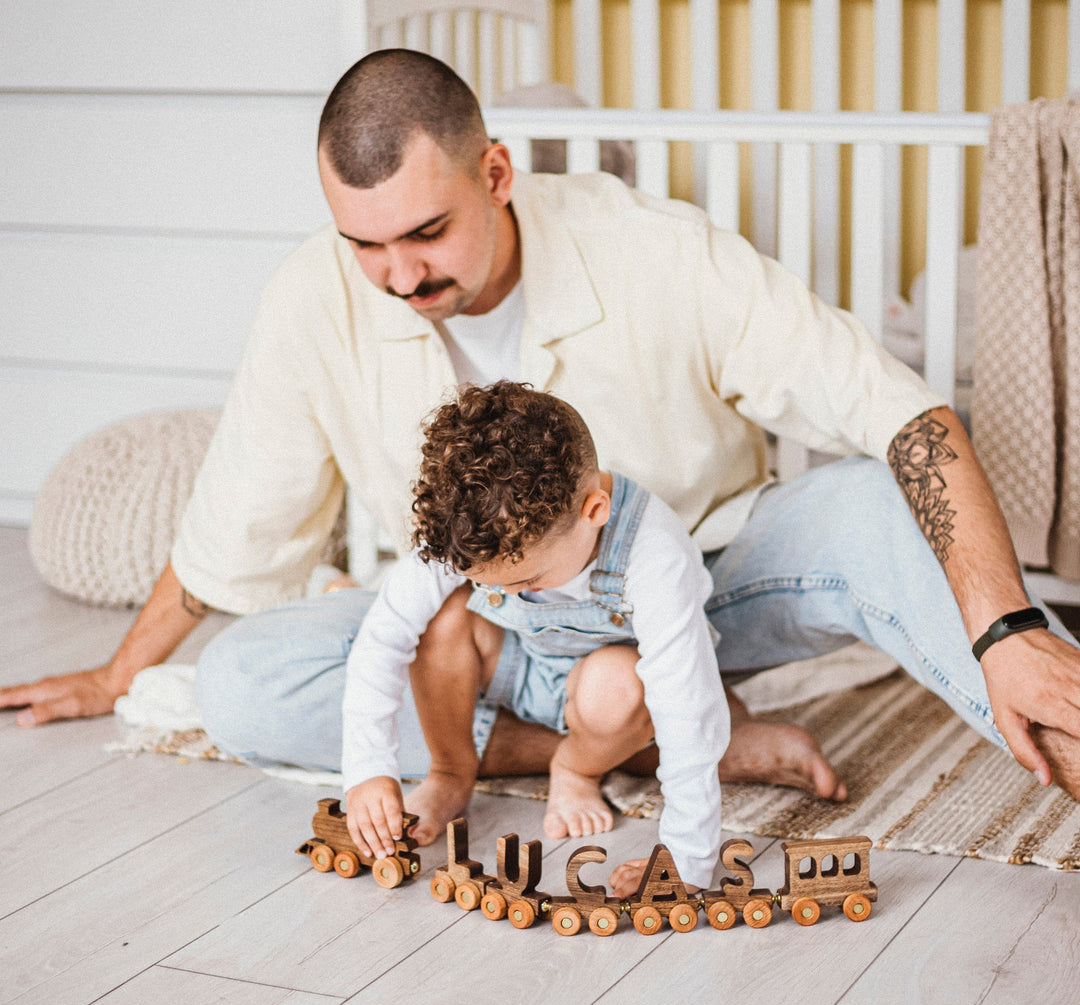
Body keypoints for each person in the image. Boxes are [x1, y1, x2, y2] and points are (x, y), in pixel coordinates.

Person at [3, 48, 1079, 834]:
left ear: (499, 175)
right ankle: (642, 741)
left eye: (427, 232)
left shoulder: (652, 247)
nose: (401, 277)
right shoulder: (311, 299)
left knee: (860, 501)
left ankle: (1049, 718)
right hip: (498, 644)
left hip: (699, 594)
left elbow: (906, 416)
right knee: (239, 685)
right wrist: (117, 674)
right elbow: (238, 511)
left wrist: (1008, 631)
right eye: (366, 245)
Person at [347, 381, 728, 893]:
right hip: (517, 665)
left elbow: (685, 699)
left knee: (620, 683)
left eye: (526, 581)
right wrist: (368, 771)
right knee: (441, 616)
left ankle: (575, 767)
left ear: (594, 512)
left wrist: (687, 858)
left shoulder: (654, 552)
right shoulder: (464, 522)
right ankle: (450, 773)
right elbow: (382, 640)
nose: (514, 592)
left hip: (605, 700)